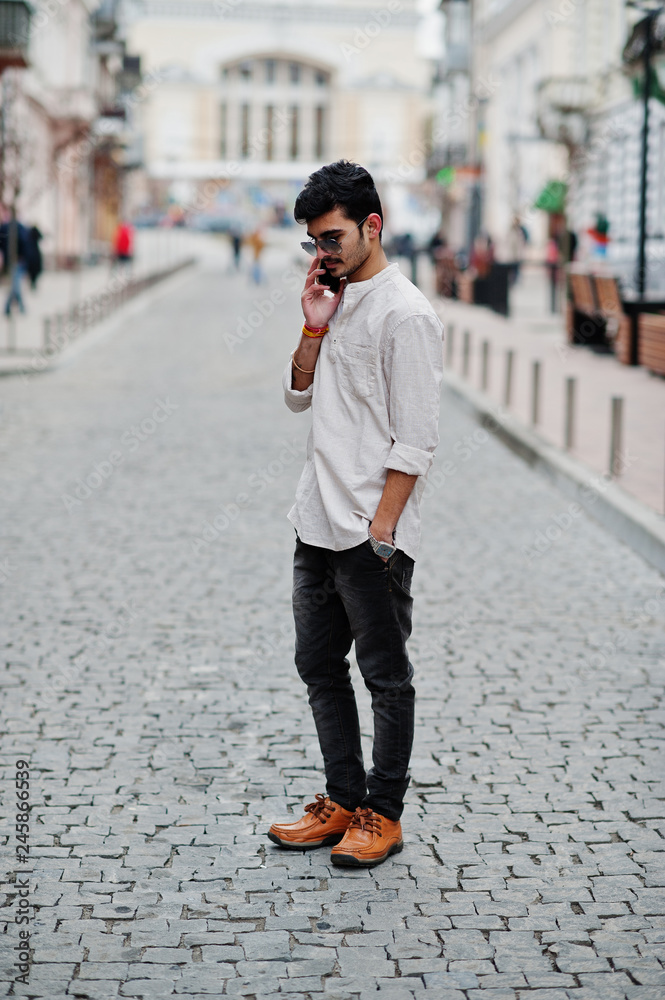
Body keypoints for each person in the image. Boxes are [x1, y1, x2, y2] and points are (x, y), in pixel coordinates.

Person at [268, 160, 444, 867]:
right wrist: (312, 327)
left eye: (332, 238)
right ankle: (340, 798)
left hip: (371, 533)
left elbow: (416, 439)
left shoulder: (406, 315)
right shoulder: (333, 299)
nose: (323, 254)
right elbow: (296, 397)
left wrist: (382, 533)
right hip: (314, 519)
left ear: (373, 225)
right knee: (316, 663)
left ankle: (382, 812)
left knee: (384, 676)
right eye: (314, 242)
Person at [25, 225, 44, 290]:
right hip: (35, 255)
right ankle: (33, 283)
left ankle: (33, 283)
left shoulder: (29, 234)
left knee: (32, 271)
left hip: (31, 255)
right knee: (34, 271)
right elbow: (41, 237)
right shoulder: (33, 234)